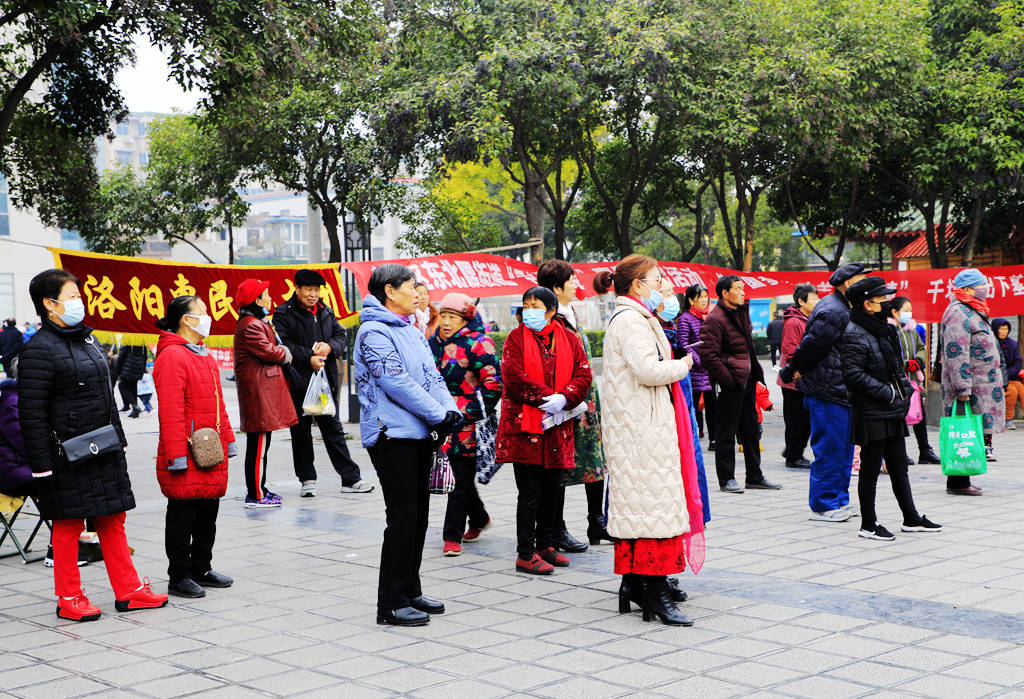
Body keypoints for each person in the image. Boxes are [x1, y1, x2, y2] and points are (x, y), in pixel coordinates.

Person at [19, 269, 167, 621]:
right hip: (65, 453)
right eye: (70, 296)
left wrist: (120, 438)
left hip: (102, 446)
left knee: (112, 517)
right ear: (49, 303)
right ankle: (69, 597)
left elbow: (106, 394)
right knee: (69, 523)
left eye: (77, 295)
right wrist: (41, 466)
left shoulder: (87, 340)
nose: (78, 302)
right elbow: (32, 413)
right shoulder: (38, 350)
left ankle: (129, 591)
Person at [594, 255, 703, 626]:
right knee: (653, 510)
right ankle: (655, 593)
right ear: (638, 285)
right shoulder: (631, 321)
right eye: (656, 279)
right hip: (642, 431)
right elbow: (649, 370)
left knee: (642, 508)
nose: (662, 286)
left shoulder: (634, 317)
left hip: (640, 427)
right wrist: (686, 362)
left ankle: (634, 585)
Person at [354, 264, 460, 627]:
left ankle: (411, 590)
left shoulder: (412, 329)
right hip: (390, 435)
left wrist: (449, 410)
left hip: (418, 434)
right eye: (411, 286)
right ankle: (391, 604)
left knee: (418, 518)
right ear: (389, 291)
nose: (418, 293)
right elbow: (395, 382)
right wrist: (437, 414)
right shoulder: (373, 332)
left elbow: (432, 377)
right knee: (402, 518)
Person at [496, 286, 592, 575]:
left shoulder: (568, 338)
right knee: (530, 491)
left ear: (551, 311)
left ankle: (545, 544)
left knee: (552, 489)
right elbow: (513, 377)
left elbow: (583, 372)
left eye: (535, 306)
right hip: (526, 426)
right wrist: (546, 398)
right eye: (526, 306)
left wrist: (566, 397)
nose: (529, 311)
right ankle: (525, 553)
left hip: (558, 425)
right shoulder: (515, 339)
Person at [841, 278, 942, 540]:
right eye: (882, 299)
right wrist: (887, 393)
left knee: (899, 465)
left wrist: (905, 391)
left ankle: (911, 517)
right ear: (867, 304)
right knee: (871, 468)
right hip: (872, 410)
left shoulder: (884, 330)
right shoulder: (854, 332)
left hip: (892, 407)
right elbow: (853, 375)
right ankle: (868, 524)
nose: (887, 304)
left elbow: (896, 368)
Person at [154, 295, 236, 599]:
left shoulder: (204, 355)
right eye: (202, 312)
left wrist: (227, 440)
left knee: (207, 514)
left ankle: (202, 567)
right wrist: (176, 456)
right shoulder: (172, 356)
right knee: (182, 515)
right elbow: (171, 413)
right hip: (186, 452)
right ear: (186, 320)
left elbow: (218, 405)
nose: (208, 317)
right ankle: (179, 575)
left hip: (209, 450)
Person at [781, 262, 869, 521]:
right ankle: (823, 504)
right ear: (846, 283)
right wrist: (794, 369)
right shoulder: (833, 310)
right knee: (830, 449)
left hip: (843, 389)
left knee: (844, 450)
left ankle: (839, 499)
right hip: (827, 389)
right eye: (860, 280)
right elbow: (811, 346)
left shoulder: (846, 307)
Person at [273, 269, 372, 497]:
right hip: (298, 382)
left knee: (334, 430)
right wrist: (308, 357)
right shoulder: (283, 313)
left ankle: (350, 479)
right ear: (296, 289)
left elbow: (341, 337)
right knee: (301, 433)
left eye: (317, 289)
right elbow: (283, 344)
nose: (313, 294)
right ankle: (307, 479)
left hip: (324, 383)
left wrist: (329, 348)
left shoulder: (326, 311)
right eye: (308, 289)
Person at [537, 259, 609, 550]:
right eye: (572, 280)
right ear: (556, 287)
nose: (577, 284)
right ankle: (556, 528)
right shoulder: (552, 321)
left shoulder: (571, 314)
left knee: (595, 461)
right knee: (561, 464)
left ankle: (597, 522)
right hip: (566, 405)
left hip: (586, 402)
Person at [428, 292, 502, 556]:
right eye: (444, 316)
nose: (446, 322)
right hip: (438, 421)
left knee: (458, 479)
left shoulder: (480, 344)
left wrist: (468, 412)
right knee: (460, 478)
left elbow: (493, 384)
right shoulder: (432, 343)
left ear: (465, 319)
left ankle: (452, 536)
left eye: (453, 317)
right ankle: (479, 518)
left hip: (468, 424)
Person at [699, 275, 781, 494]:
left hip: (747, 379)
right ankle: (726, 479)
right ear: (725, 293)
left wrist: (754, 375)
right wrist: (728, 380)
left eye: (743, 288)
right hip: (730, 383)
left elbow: (746, 348)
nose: (743, 292)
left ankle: (755, 475)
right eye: (738, 289)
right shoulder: (714, 319)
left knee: (751, 430)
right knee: (726, 432)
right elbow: (709, 357)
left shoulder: (740, 312)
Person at [233, 278, 299, 508]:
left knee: (262, 445)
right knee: (258, 446)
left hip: (263, 391)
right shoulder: (251, 324)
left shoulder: (256, 322)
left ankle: (260, 487)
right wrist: (285, 351)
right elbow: (269, 351)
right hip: (259, 394)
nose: (271, 299)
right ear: (257, 300)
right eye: (267, 295)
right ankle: (256, 495)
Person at [940, 268, 1004, 495]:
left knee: (969, 430)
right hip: (968, 385)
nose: (985, 289)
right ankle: (957, 483)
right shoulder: (958, 312)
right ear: (967, 289)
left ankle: (961, 479)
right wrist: (962, 387)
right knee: (961, 430)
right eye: (980, 285)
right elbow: (956, 353)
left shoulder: (972, 310)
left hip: (980, 383)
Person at [890, 297, 940, 463]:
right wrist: (905, 365)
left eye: (910, 310)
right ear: (894, 312)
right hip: (898, 381)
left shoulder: (912, 329)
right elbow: (890, 355)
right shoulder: (890, 330)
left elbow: (921, 347)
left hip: (914, 381)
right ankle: (900, 453)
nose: (908, 313)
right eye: (905, 310)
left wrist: (917, 361)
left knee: (920, 414)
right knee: (900, 416)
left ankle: (925, 450)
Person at [778, 284, 817, 469]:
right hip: (794, 379)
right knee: (796, 421)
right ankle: (794, 456)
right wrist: (799, 370)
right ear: (801, 301)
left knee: (804, 420)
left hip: (805, 378)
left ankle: (793, 450)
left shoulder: (808, 318)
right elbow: (790, 350)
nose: (817, 301)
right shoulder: (794, 321)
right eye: (813, 298)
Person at [677, 284, 715, 445]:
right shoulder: (686, 318)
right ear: (692, 300)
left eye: (706, 296)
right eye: (701, 297)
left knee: (713, 405)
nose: (705, 300)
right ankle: (696, 432)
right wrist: (700, 362)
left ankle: (714, 438)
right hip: (695, 368)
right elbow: (684, 344)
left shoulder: (710, 316)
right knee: (694, 403)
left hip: (711, 368)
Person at [993, 318, 1023, 430]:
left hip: (1011, 376)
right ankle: (1008, 419)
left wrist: (1009, 374)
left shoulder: (1012, 344)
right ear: (996, 329)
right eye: (1001, 329)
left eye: (1006, 329)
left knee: (1022, 390)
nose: (1004, 331)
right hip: (998, 377)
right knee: (1012, 392)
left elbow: (1018, 362)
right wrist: (1003, 375)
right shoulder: (992, 343)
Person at [115, 345, 146, 417]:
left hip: (128, 367)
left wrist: (118, 369)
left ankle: (135, 406)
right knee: (133, 387)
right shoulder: (141, 340)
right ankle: (135, 409)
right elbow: (145, 355)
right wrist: (143, 368)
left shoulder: (127, 339)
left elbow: (122, 355)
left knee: (123, 387)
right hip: (138, 366)